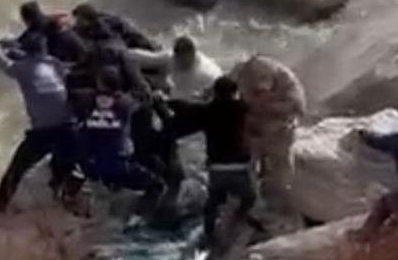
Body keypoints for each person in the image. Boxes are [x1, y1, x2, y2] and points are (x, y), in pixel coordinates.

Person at [0, 33, 77, 213]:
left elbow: (1, 60)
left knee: (16, 170)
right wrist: (11, 46)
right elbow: (32, 59)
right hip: (69, 127)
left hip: (43, 132)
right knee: (64, 165)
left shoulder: (21, 69)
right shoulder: (54, 64)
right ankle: (60, 194)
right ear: (44, 50)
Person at [183, 76, 260, 248]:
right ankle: (237, 219)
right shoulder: (241, 109)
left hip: (216, 168)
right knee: (250, 197)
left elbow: (189, 111)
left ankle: (208, 233)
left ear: (215, 93)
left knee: (214, 199)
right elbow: (253, 104)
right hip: (240, 167)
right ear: (234, 93)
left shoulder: (207, 110)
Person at [77, 68, 166, 212]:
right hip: (120, 165)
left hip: (91, 167)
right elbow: (145, 100)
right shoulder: (126, 103)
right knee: (157, 185)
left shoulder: (86, 100)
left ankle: (110, 188)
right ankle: (142, 214)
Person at [231, 55, 305, 212]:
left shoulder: (274, 78)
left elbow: (291, 107)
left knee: (279, 164)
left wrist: (259, 110)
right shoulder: (244, 71)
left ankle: (279, 197)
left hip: (282, 120)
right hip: (263, 120)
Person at [125, 35, 222, 104]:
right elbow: (132, 56)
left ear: (193, 54)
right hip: (171, 89)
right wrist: (139, 80)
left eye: (185, 59)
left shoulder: (205, 74)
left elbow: (190, 100)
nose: (181, 63)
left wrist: (166, 93)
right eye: (179, 58)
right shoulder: (171, 57)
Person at [350, 128, 398, 242]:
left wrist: (363, 135)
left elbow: (375, 142)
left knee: (384, 203)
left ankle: (365, 236)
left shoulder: (395, 140)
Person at [5, 1, 86, 65]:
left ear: (27, 19)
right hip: (80, 52)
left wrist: (5, 45)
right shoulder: (50, 19)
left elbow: (20, 45)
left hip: (66, 61)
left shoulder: (34, 32)